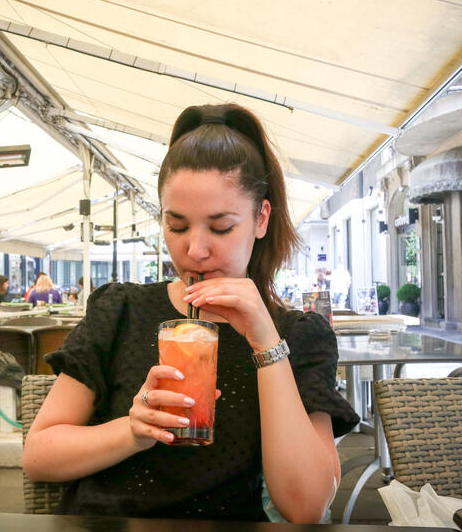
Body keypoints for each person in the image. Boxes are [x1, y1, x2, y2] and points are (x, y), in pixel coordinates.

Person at [22, 104, 359, 522]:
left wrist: (266, 343)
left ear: (261, 219)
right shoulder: (120, 309)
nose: (195, 250)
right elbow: (38, 457)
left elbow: (305, 506)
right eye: (177, 226)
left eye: (221, 227)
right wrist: (133, 431)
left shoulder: (298, 334)